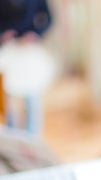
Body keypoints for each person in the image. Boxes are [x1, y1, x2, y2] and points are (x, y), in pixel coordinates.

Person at [0, 0, 54, 137]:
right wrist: (4, 33)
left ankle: (32, 138)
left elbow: (48, 18)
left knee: (32, 98)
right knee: (8, 100)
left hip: (29, 52)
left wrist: (35, 33)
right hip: (8, 52)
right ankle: (11, 138)